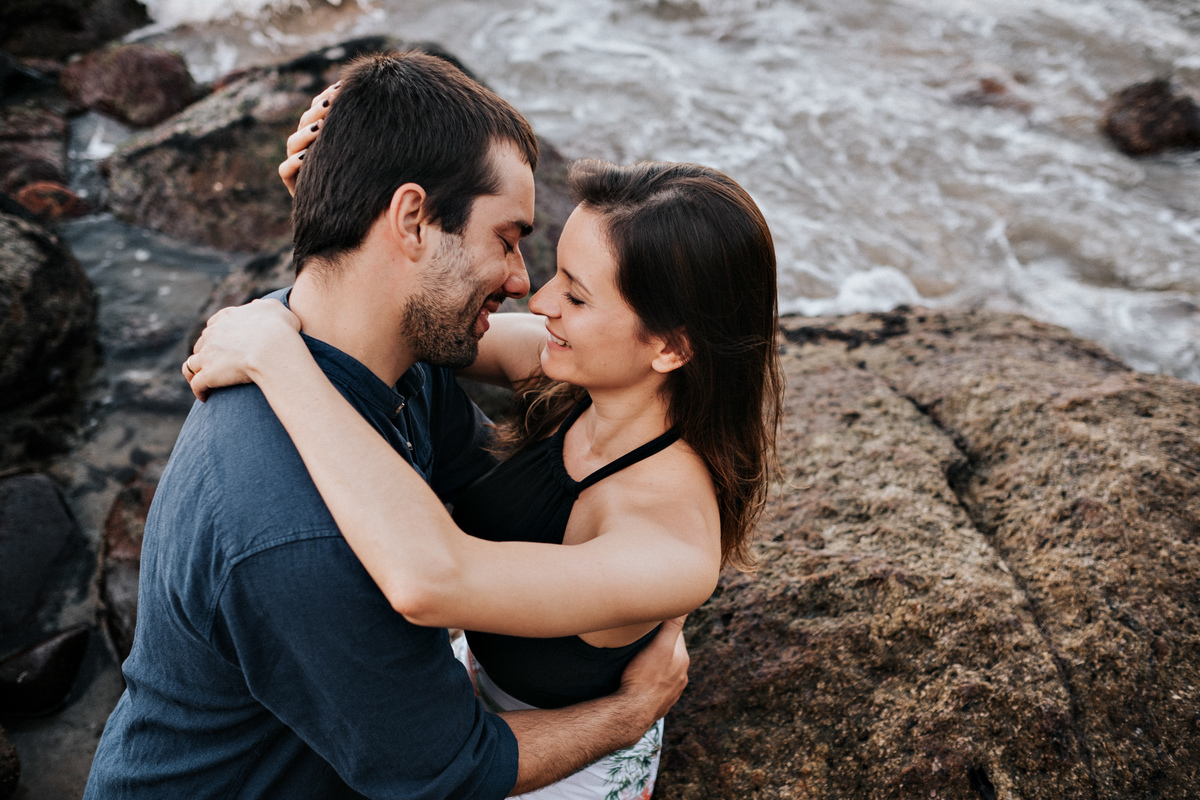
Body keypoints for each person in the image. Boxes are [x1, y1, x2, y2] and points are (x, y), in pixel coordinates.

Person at [84, 51, 690, 800]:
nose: (521, 283)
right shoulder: (296, 536)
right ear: (411, 220)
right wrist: (629, 712)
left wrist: (337, 194)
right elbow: (448, 770)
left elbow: (480, 491)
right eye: (507, 237)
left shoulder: (385, 353)